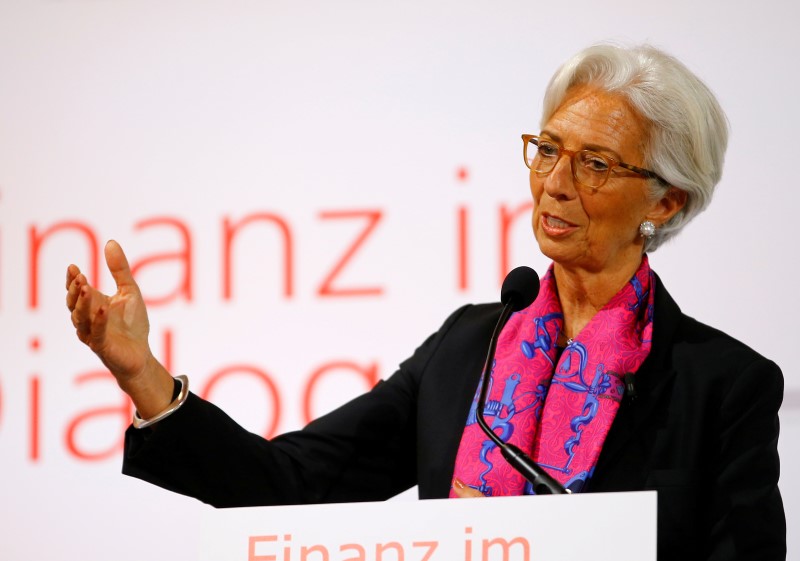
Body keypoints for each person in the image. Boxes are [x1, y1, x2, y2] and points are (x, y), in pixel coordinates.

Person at [65, 44, 785, 560]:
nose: (556, 182)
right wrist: (146, 379)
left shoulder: (721, 385)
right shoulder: (468, 347)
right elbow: (294, 484)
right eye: (548, 149)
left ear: (667, 198)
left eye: (595, 163)